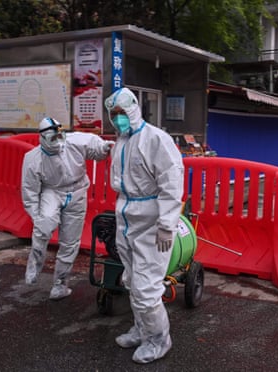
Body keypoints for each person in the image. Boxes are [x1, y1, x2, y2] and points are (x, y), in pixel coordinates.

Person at [104, 87, 184, 364]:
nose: (118, 120)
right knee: (132, 280)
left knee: (147, 288)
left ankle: (159, 340)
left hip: (151, 221)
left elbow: (172, 183)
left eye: (122, 113)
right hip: (126, 217)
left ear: (134, 109)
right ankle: (142, 329)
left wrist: (166, 224)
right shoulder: (121, 141)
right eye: (113, 115)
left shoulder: (156, 140)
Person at [21, 117, 114, 300]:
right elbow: (29, 191)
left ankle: (60, 284)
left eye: (59, 136)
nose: (58, 141)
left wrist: (104, 148)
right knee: (43, 228)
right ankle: (34, 266)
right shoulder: (33, 159)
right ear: (43, 138)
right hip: (52, 191)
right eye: (52, 138)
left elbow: (95, 147)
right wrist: (35, 216)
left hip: (78, 190)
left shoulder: (74, 141)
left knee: (70, 242)